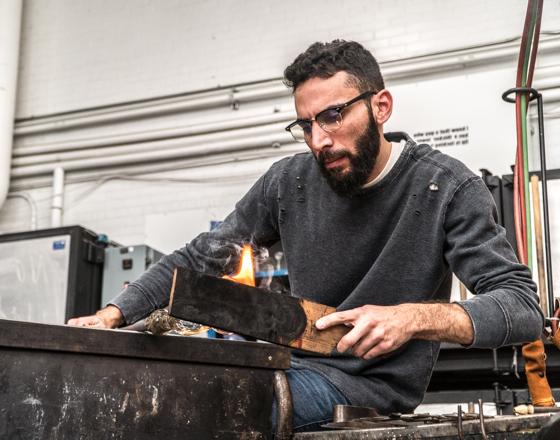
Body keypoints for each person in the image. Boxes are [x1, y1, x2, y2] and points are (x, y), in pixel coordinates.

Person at [69, 40, 544, 432]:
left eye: (334, 116)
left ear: (381, 107)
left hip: (364, 387)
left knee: (216, 405)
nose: (319, 140)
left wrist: (411, 318)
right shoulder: (288, 182)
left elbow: (521, 308)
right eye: (306, 124)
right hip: (288, 363)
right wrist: (113, 314)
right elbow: (200, 258)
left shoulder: (445, 186)